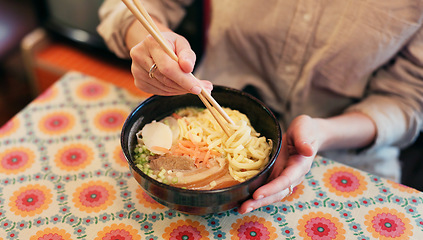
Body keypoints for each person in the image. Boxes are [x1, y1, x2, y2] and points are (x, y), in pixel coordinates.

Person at [97, 0, 423, 214]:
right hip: (206, 105)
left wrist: (323, 133)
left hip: (343, 156)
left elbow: (409, 99)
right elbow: (131, 6)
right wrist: (151, 41)